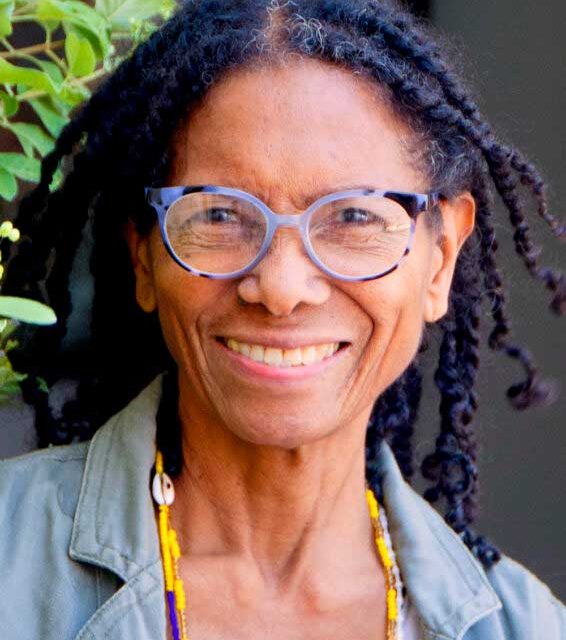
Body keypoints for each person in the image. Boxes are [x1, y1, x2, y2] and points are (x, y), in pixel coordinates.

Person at [0, 0, 564, 638]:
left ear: (440, 261)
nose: (281, 288)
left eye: (354, 216)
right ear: (143, 257)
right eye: (220, 215)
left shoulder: (525, 626)